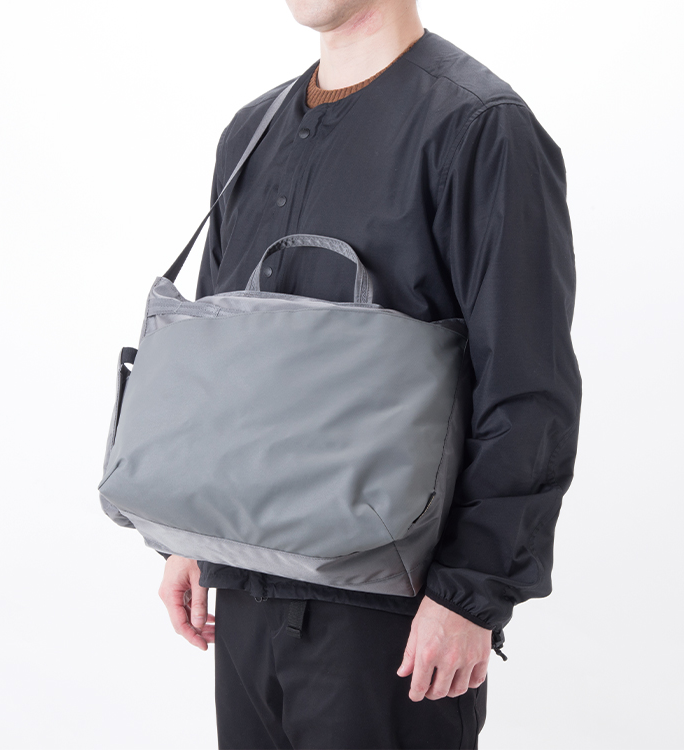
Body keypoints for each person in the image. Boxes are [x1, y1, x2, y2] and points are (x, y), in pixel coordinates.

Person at [157, 1, 582, 747]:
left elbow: (528, 385)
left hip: (390, 613)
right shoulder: (251, 131)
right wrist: (192, 535)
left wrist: (471, 595)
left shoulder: (480, 126)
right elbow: (222, 357)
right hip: (245, 591)